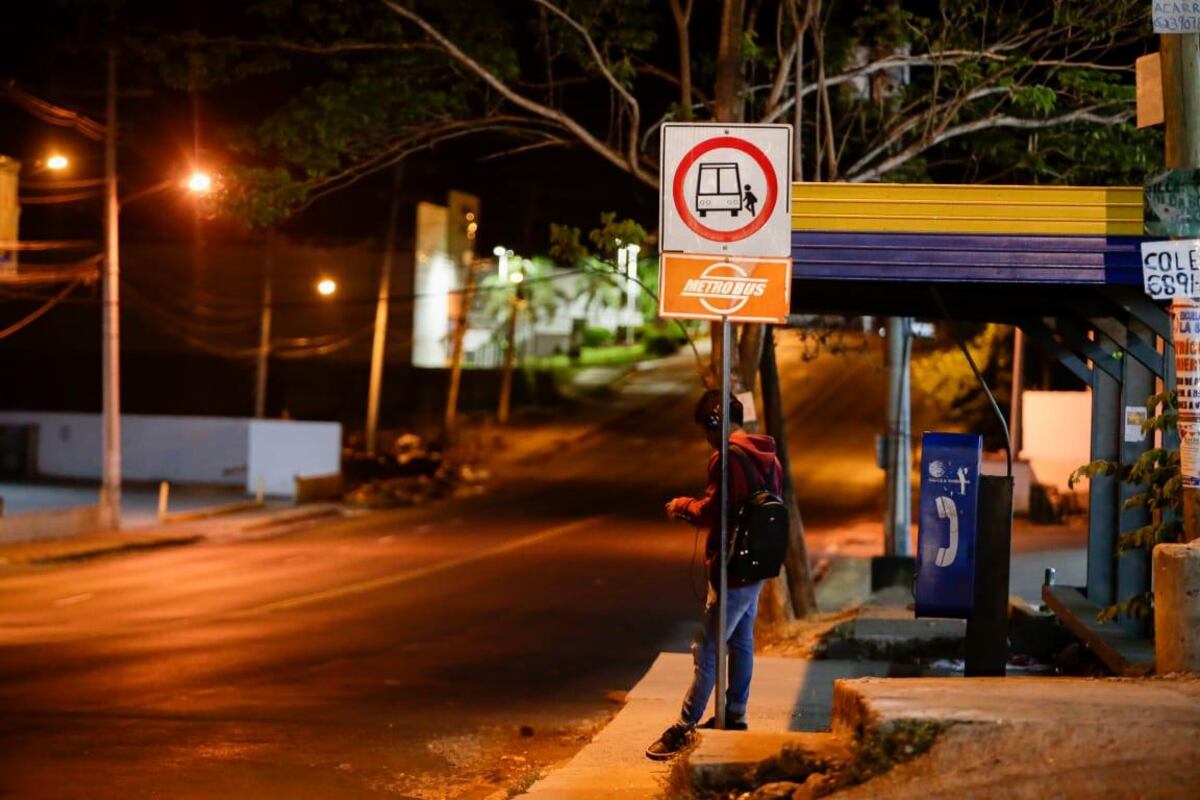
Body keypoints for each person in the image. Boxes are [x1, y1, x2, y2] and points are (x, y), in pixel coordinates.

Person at [645, 390, 783, 761]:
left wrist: (682, 507)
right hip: (758, 564)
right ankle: (735, 714)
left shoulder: (727, 459)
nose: (706, 438)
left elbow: (714, 511)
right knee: (740, 641)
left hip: (733, 568)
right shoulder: (767, 454)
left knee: (705, 649)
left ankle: (683, 726)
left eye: (706, 429)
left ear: (714, 424)